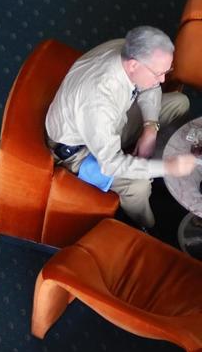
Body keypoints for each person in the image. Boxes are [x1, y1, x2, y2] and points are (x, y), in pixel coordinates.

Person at [46, 26, 199, 230]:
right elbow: (110, 164)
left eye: (166, 71)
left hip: (114, 120)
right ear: (134, 65)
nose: (163, 80)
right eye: (159, 73)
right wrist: (168, 167)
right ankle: (147, 227)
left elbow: (150, 87)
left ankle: (156, 163)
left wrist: (150, 128)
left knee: (179, 102)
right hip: (79, 151)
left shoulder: (127, 50)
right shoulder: (97, 101)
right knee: (138, 186)